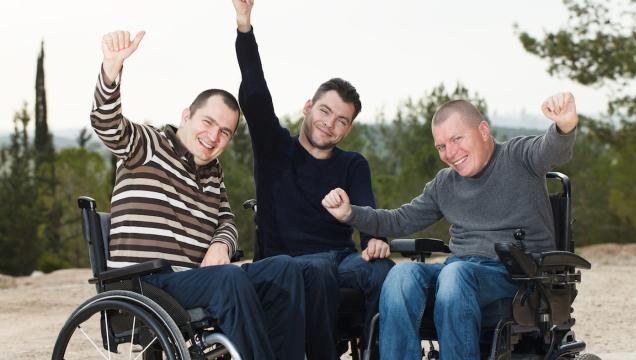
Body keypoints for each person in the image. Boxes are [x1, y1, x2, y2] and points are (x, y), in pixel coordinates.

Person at [91, 30, 305, 360]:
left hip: (193, 282)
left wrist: (221, 244)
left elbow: (227, 221)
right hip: (145, 285)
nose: (213, 136)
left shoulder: (213, 173)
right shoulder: (149, 145)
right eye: (208, 122)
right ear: (186, 115)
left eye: (225, 132)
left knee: (286, 270)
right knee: (230, 281)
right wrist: (111, 69)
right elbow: (107, 124)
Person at [322, 93, 579, 359]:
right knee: (401, 275)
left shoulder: (519, 157)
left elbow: (553, 149)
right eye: (441, 146)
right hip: (458, 273)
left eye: (457, 139)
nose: (450, 153)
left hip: (518, 277)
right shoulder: (445, 183)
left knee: (455, 275)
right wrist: (350, 213)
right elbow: (399, 219)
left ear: (483, 130)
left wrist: (564, 125)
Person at [232, 0, 394, 358]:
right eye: (325, 111)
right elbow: (256, 96)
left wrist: (374, 240)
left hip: (341, 259)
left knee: (383, 271)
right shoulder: (275, 149)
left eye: (341, 120)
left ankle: (375, 353)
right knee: (318, 271)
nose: (329, 123)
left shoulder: (353, 164)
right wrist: (245, 27)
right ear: (308, 107)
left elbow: (366, 211)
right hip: (289, 263)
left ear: (348, 128)